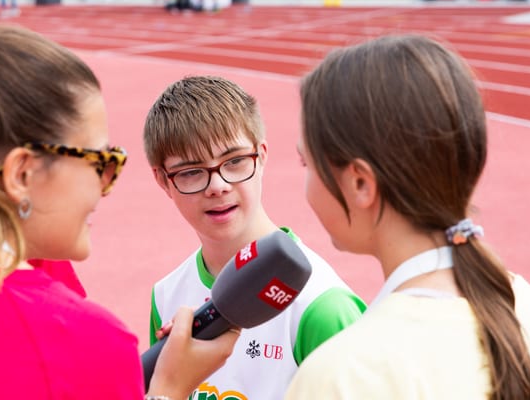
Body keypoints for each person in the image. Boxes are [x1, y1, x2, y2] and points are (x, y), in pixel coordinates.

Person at [0, 14, 239, 400]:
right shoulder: (82, 342)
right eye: (99, 161)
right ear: (22, 175)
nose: (106, 183)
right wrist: (168, 389)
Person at [283, 34, 530, 399]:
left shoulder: (343, 375)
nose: (307, 181)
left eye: (306, 163)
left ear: (360, 183)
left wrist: (173, 387)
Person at [142, 75, 366, 399]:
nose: (217, 186)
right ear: (163, 180)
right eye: (191, 172)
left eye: (234, 162)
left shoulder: (321, 307)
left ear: (260, 157)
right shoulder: (166, 296)